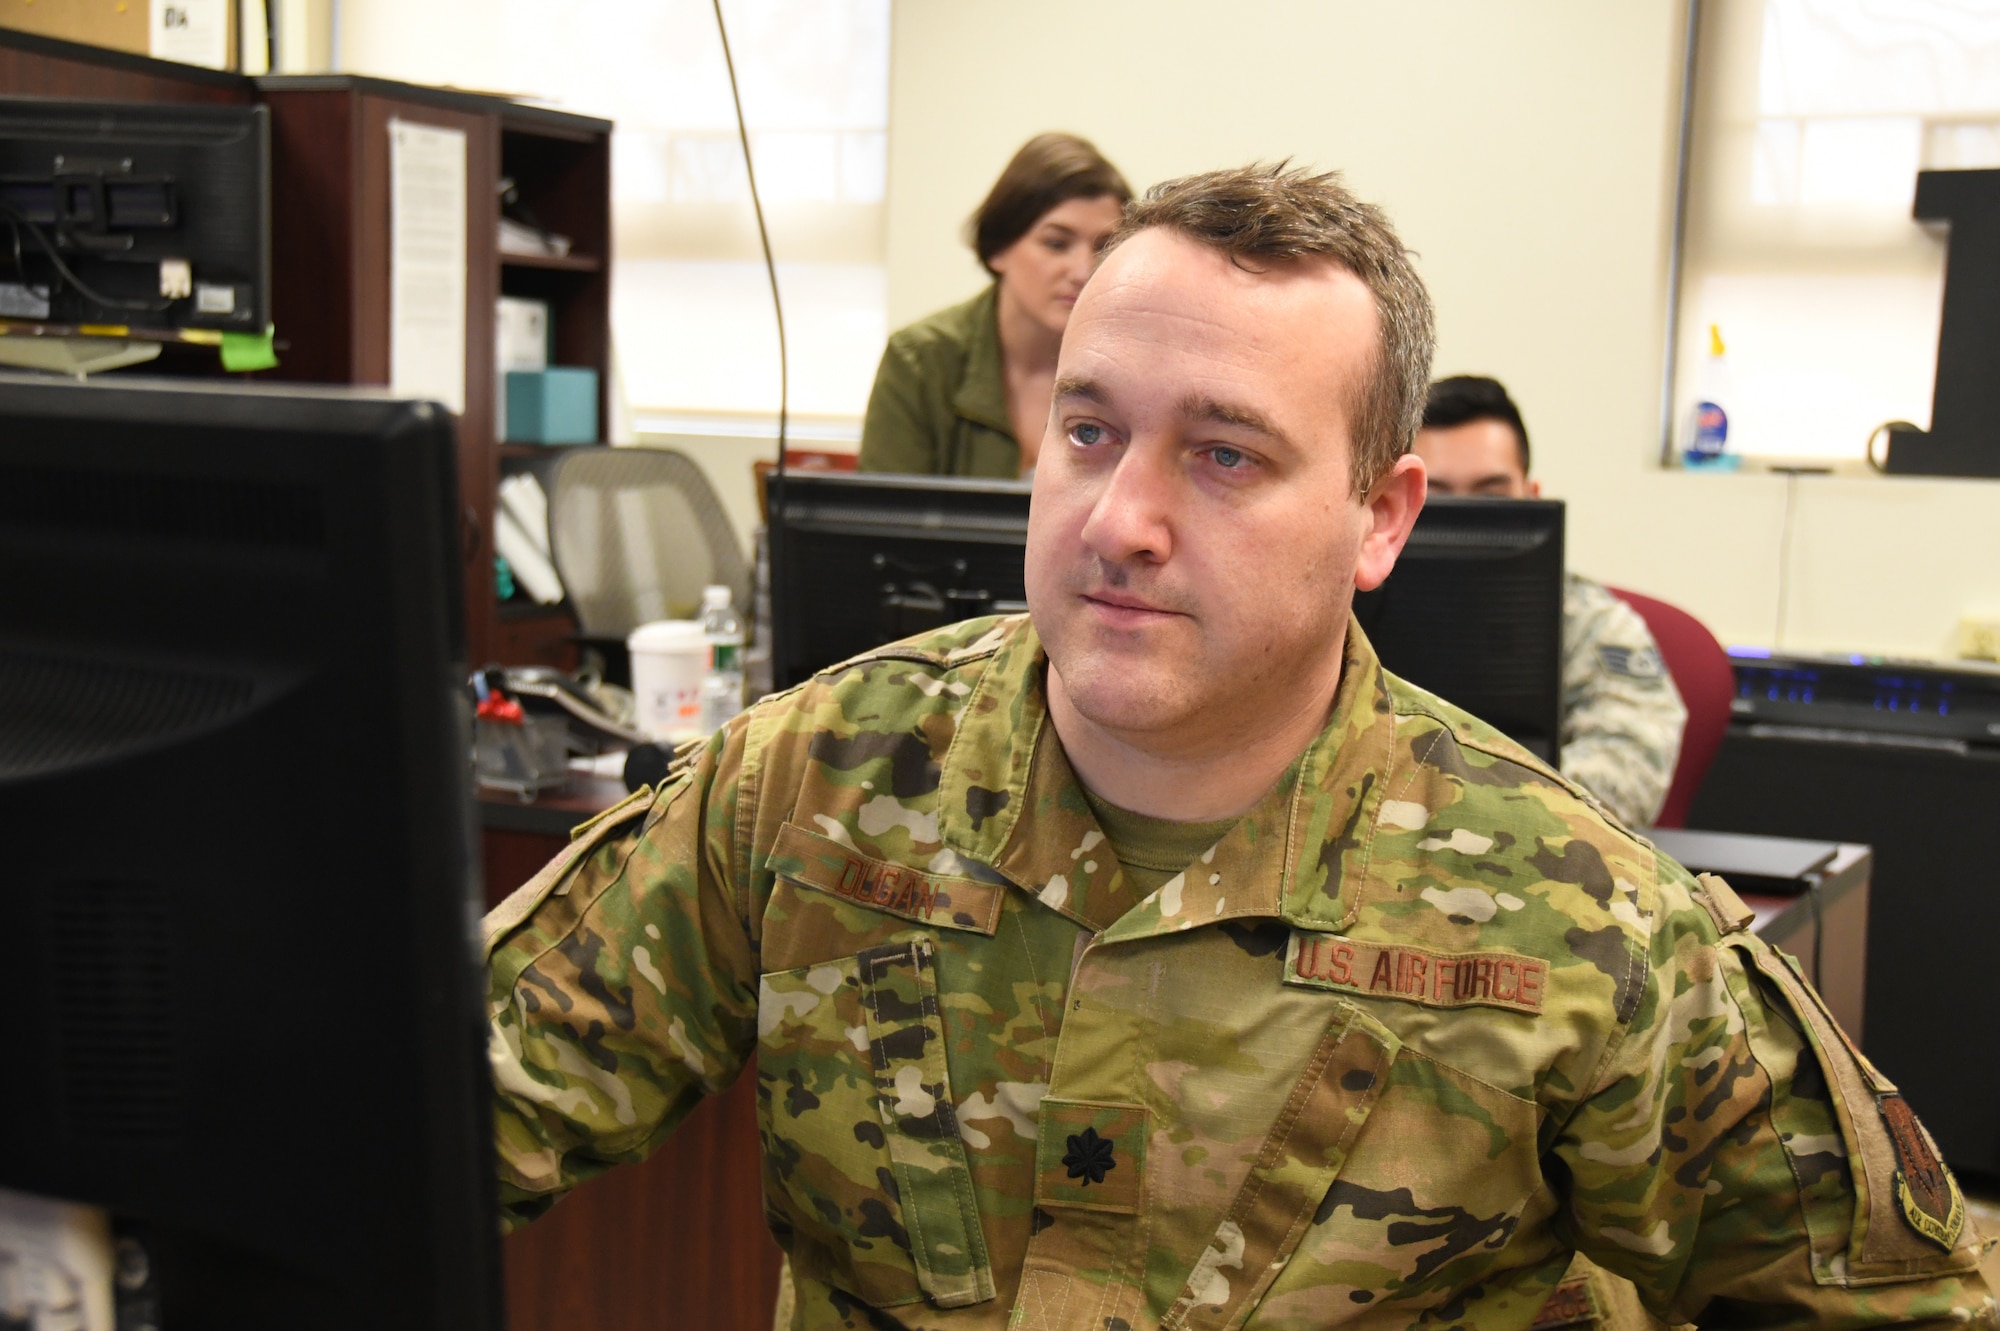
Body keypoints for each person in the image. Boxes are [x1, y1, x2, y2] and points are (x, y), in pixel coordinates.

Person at [484, 165, 1992, 1330]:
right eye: (1088, 430)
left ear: (1382, 518)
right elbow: (437, 1115)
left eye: (1224, 453)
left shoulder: (1579, 917)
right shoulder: (808, 783)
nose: (1121, 518)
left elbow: (1892, 1296)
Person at [1413, 375, 1689, 827]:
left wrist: (1450, 804)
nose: (1467, 523)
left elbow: (1628, 776)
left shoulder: (1589, 623)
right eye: (1438, 498)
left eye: (1491, 495)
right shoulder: (1350, 613)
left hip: (1533, 867)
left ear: (1532, 498)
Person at [857, 132, 1130, 477]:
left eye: (1103, 247)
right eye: (1056, 243)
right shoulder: (920, 361)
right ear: (999, 247)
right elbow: (884, 521)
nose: (1082, 270)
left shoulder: (1128, 366)